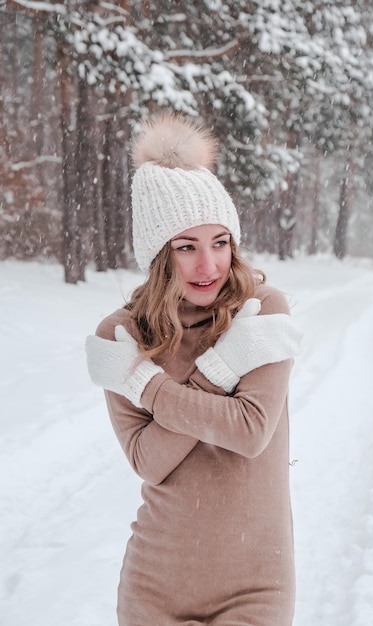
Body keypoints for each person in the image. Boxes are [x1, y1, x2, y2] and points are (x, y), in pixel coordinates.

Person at [86, 112, 302, 626]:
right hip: (153, 587)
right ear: (159, 255)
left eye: (220, 242)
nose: (209, 266)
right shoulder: (122, 335)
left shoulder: (261, 311)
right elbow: (148, 459)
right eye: (186, 247)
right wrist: (218, 378)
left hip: (256, 584)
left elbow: (249, 432)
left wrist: (150, 385)